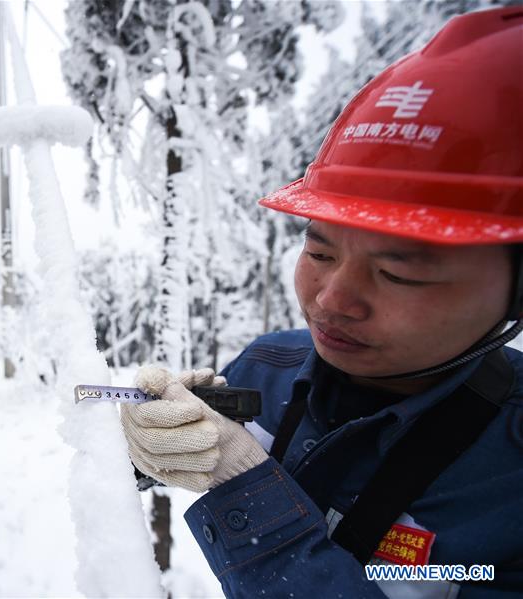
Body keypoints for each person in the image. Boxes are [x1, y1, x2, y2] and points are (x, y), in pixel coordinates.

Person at [121, 6, 523, 598]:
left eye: (398, 273)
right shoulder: (269, 369)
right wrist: (149, 447)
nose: (332, 302)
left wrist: (247, 490)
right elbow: (194, 449)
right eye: (320, 251)